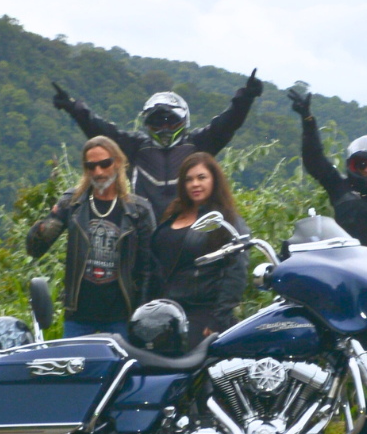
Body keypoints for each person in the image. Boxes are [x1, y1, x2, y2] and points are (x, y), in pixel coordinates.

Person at [50, 71, 264, 221]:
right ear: (147, 124)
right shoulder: (136, 147)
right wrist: (73, 107)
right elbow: (100, 130)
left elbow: (226, 124)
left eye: (171, 121)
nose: (164, 128)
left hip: (189, 231)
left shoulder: (197, 144)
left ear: (184, 121)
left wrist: (245, 97)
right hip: (144, 234)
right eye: (157, 122)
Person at [26, 136, 156, 338]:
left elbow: (149, 268)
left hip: (121, 317)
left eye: (105, 164)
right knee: (75, 369)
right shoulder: (73, 205)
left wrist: (142, 313)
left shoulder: (138, 211)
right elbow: (35, 249)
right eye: (91, 166)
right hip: (79, 316)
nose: (99, 171)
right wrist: (42, 229)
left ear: (118, 163)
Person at [287, 88, 367, 261]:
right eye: (362, 165)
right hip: (344, 267)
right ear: (353, 164)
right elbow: (314, 159)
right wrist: (307, 120)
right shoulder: (339, 186)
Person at [148, 152, 249, 348]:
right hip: (165, 314)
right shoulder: (173, 215)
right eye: (189, 179)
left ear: (214, 180)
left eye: (201, 177)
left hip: (202, 314)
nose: (195, 184)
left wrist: (218, 319)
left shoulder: (228, 221)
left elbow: (236, 272)